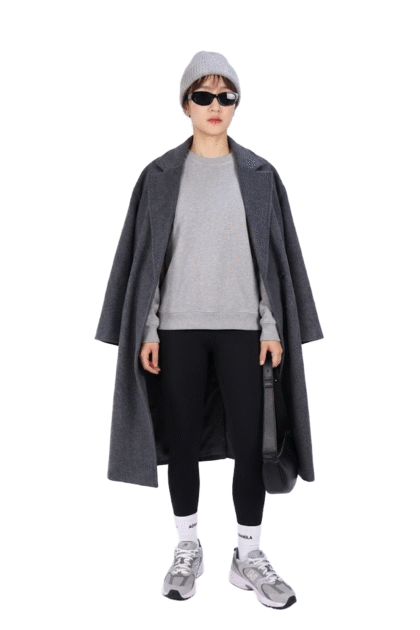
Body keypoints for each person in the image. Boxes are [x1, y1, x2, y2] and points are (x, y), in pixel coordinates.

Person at [138, 51, 297, 609]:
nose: (215, 105)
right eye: (203, 95)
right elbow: (149, 260)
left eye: (226, 96)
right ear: (185, 104)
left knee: (251, 444)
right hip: (178, 330)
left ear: (236, 104)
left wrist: (271, 324)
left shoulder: (257, 174)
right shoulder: (160, 176)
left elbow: (269, 261)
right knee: (180, 440)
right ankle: (187, 548)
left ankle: (248, 555)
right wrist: (150, 327)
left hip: (243, 331)